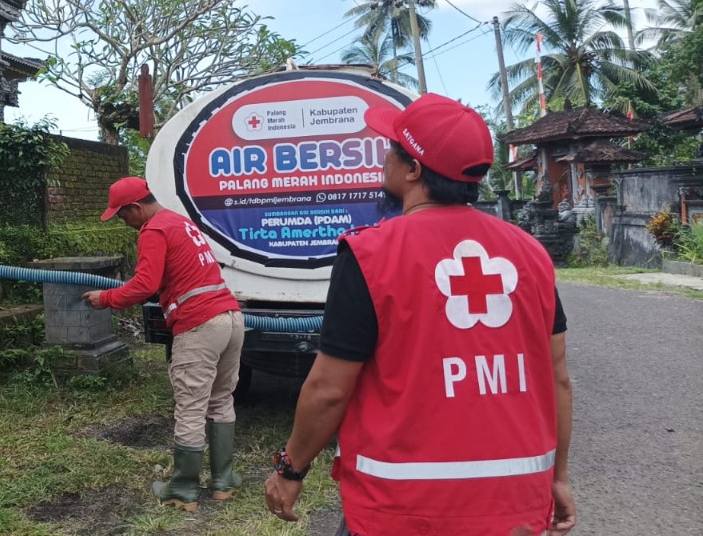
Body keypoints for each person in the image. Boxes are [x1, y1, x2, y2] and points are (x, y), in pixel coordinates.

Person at [264, 93, 576, 536]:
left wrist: (289, 469)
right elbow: (557, 377)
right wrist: (558, 478)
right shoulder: (530, 253)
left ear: (412, 170)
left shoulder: (371, 254)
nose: (383, 158)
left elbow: (330, 389)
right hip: (516, 507)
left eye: (391, 148)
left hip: (400, 508)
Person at [83, 177, 244, 512]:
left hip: (199, 324)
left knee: (190, 406)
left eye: (122, 215)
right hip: (230, 318)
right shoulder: (180, 222)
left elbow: (145, 284)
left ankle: (183, 489)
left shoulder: (154, 230)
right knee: (220, 398)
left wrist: (107, 298)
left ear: (137, 208)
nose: (123, 222)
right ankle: (222, 481)